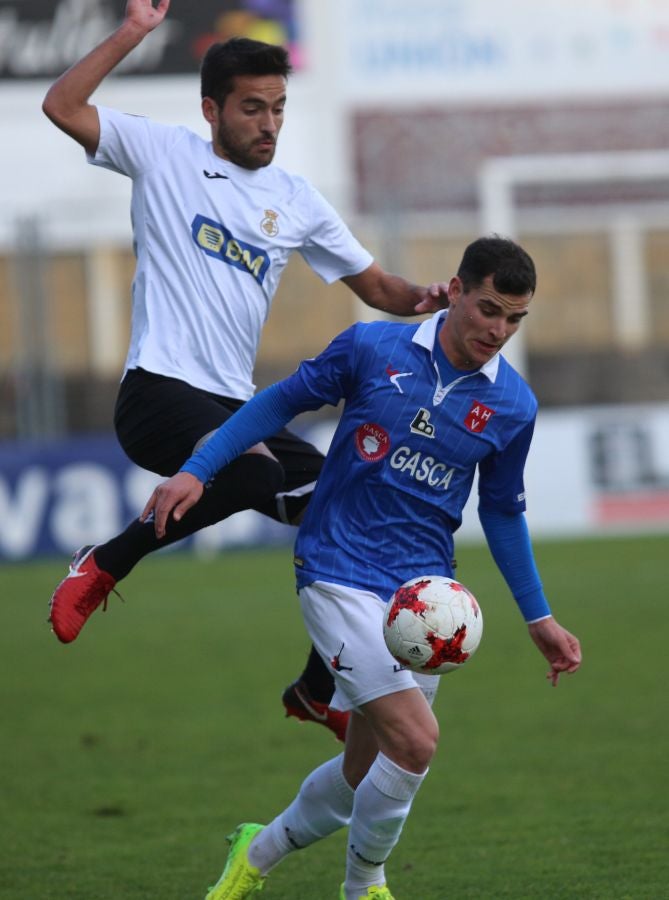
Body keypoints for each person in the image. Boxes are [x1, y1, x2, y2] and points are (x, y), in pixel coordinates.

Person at [41, 0, 447, 743]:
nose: (268, 123)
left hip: (237, 410)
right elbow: (61, 104)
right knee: (269, 481)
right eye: (252, 108)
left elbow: (380, 290)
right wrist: (132, 32)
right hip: (159, 393)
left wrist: (426, 298)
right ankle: (104, 562)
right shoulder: (162, 153)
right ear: (212, 109)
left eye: (279, 108)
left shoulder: (295, 201)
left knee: (343, 505)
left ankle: (316, 687)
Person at [141, 236, 583, 900]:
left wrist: (538, 616)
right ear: (455, 290)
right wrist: (198, 469)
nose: (498, 330)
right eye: (488, 308)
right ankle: (363, 886)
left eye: (514, 318)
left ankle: (251, 855)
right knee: (415, 744)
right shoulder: (372, 349)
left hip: (421, 597)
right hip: (336, 568)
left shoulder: (512, 406)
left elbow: (500, 510)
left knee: (364, 770)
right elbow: (275, 404)